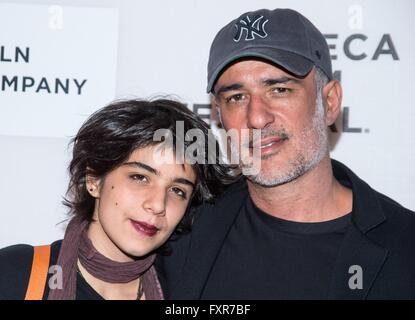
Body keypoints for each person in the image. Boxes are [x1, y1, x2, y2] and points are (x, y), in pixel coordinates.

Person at [157, 8, 415, 299]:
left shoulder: (406, 248)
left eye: (279, 90)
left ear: (329, 102)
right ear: (218, 114)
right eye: (236, 97)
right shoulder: (179, 229)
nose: (256, 118)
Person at [0, 98, 233, 300]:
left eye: (177, 190)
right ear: (94, 179)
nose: (157, 204)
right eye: (140, 177)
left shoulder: (184, 290)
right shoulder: (16, 274)